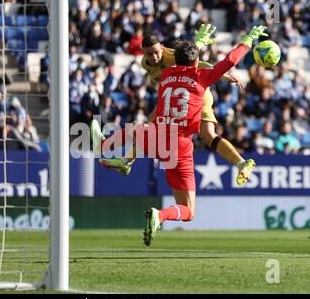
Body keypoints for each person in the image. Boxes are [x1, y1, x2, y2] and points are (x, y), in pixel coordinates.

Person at [91, 25, 268, 246]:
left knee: (138, 128)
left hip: (159, 138)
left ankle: (111, 148)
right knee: (188, 210)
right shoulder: (201, 77)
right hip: (181, 146)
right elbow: (229, 61)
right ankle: (160, 215)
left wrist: (199, 43)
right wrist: (248, 39)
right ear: (195, 62)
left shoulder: (165, 75)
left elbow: (186, 59)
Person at [98, 24, 255, 186]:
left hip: (195, 95)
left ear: (163, 48)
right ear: (143, 53)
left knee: (205, 135)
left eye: (156, 52)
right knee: (149, 125)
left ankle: (121, 157)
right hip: (176, 98)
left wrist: (222, 74)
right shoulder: (147, 63)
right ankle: (125, 160)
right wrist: (201, 44)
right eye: (149, 54)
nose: (153, 57)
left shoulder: (171, 59)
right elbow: (191, 56)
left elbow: (196, 62)